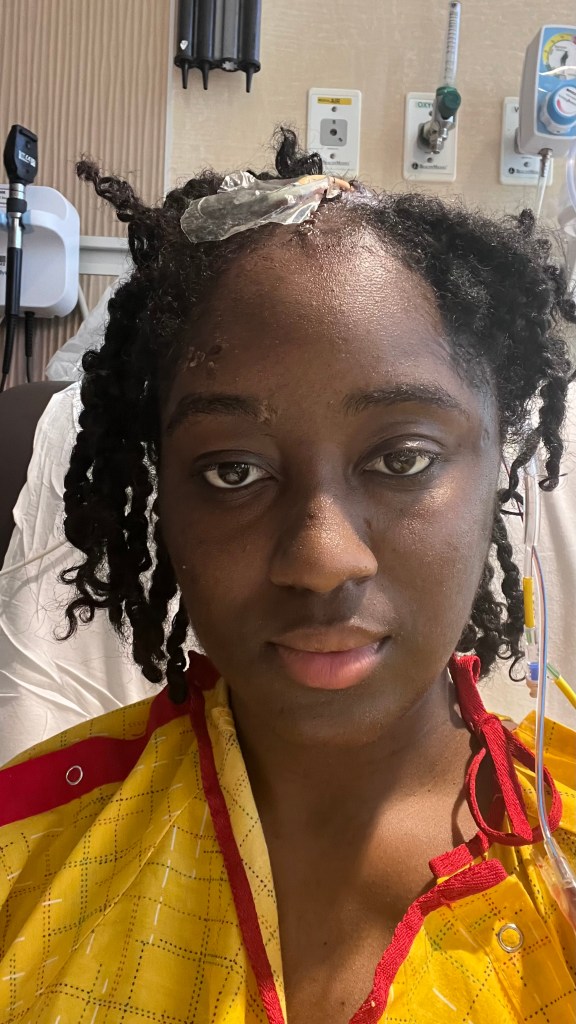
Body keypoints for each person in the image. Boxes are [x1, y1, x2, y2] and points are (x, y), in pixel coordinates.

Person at [0, 130, 574, 1024]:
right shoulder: (23, 858)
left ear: (498, 464)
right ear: (165, 495)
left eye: (404, 457)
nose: (320, 559)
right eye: (234, 471)